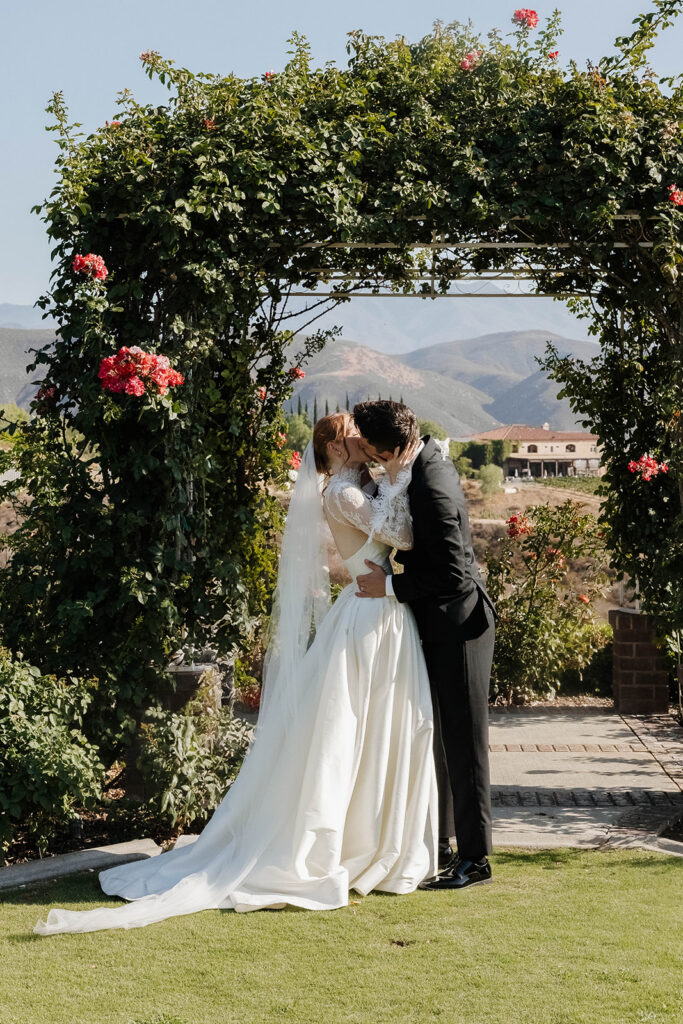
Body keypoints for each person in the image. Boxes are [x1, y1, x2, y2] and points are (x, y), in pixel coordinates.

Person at [34, 412, 438, 935]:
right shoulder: (343, 493)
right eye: (353, 434)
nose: (364, 440)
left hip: (380, 611)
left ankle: (372, 837)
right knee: (348, 731)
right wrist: (405, 474)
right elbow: (403, 536)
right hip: (370, 613)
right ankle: (348, 844)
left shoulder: (359, 484)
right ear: (337, 447)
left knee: (369, 729)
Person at [354, 400, 496, 891]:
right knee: (436, 738)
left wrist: (389, 586)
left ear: (390, 446)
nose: (368, 455)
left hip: (459, 626)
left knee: (464, 742)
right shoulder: (417, 463)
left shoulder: (431, 480)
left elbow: (453, 573)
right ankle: (441, 844)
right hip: (435, 622)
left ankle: (475, 861)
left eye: (370, 448)